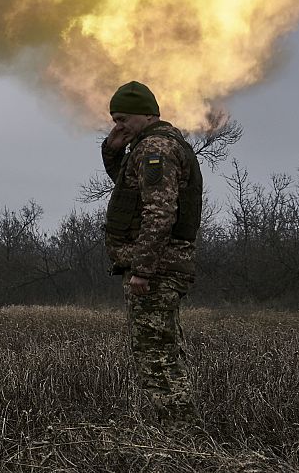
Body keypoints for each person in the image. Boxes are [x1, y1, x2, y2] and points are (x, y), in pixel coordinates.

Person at [101, 80, 204, 425]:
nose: (118, 125)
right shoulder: (153, 146)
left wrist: (143, 269)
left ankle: (183, 438)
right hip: (164, 267)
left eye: (123, 119)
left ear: (147, 114)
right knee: (162, 351)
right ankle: (181, 430)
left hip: (157, 272)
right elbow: (131, 189)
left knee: (155, 355)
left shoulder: (154, 149)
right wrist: (113, 151)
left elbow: (159, 212)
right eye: (114, 119)